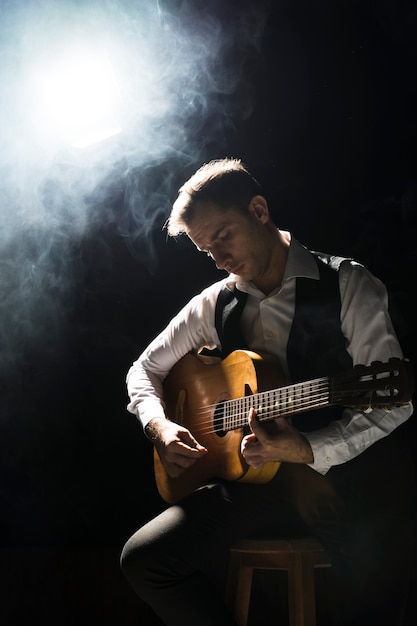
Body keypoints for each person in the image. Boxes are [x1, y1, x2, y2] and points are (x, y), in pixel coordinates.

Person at [120, 158, 416, 626]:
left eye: (223, 236)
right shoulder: (214, 302)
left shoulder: (348, 285)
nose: (218, 258)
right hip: (255, 487)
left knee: (380, 588)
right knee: (145, 561)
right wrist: (159, 426)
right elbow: (143, 370)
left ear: (259, 210)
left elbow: (394, 404)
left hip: (343, 483)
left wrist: (309, 448)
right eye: (205, 250)